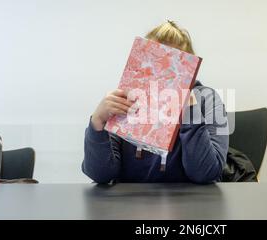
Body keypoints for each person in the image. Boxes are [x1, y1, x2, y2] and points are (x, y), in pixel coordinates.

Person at [82, 21, 229, 184]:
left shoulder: (207, 98)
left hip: (188, 203)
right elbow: (100, 174)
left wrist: (191, 111)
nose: (162, 74)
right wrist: (97, 122)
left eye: (174, 63)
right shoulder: (128, 97)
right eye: (155, 61)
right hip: (127, 203)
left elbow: (207, 174)